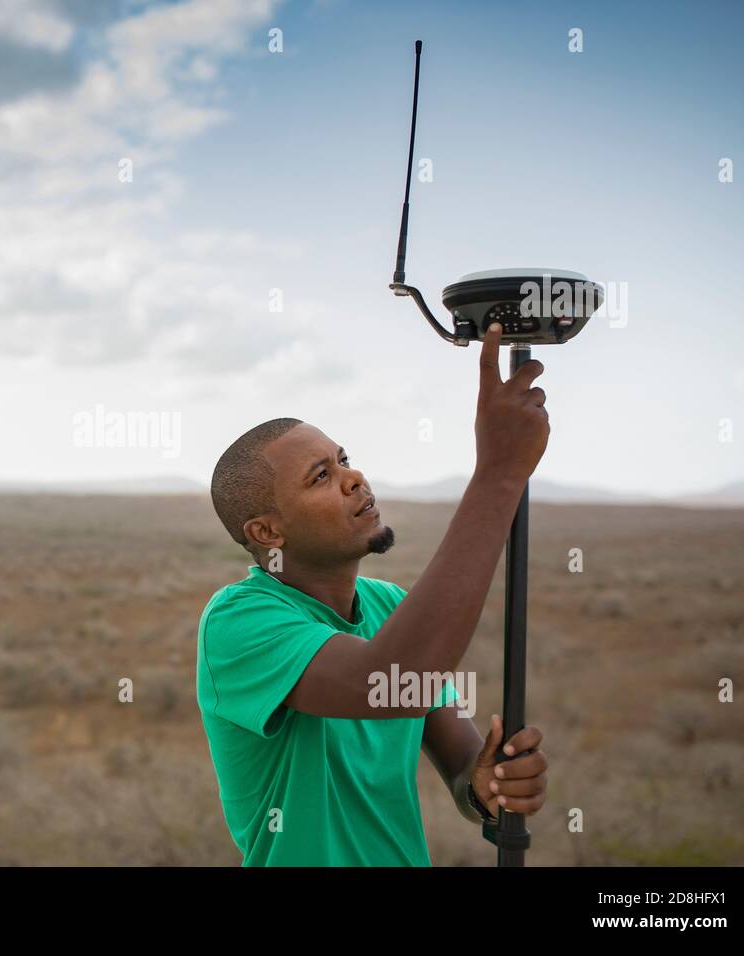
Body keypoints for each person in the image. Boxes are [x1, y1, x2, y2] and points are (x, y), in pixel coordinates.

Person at [197, 323, 549, 866]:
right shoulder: (238, 622)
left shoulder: (389, 606)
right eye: (320, 477)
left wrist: (485, 789)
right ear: (267, 533)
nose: (354, 477)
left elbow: (462, 771)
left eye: (343, 458)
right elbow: (390, 683)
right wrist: (499, 477)